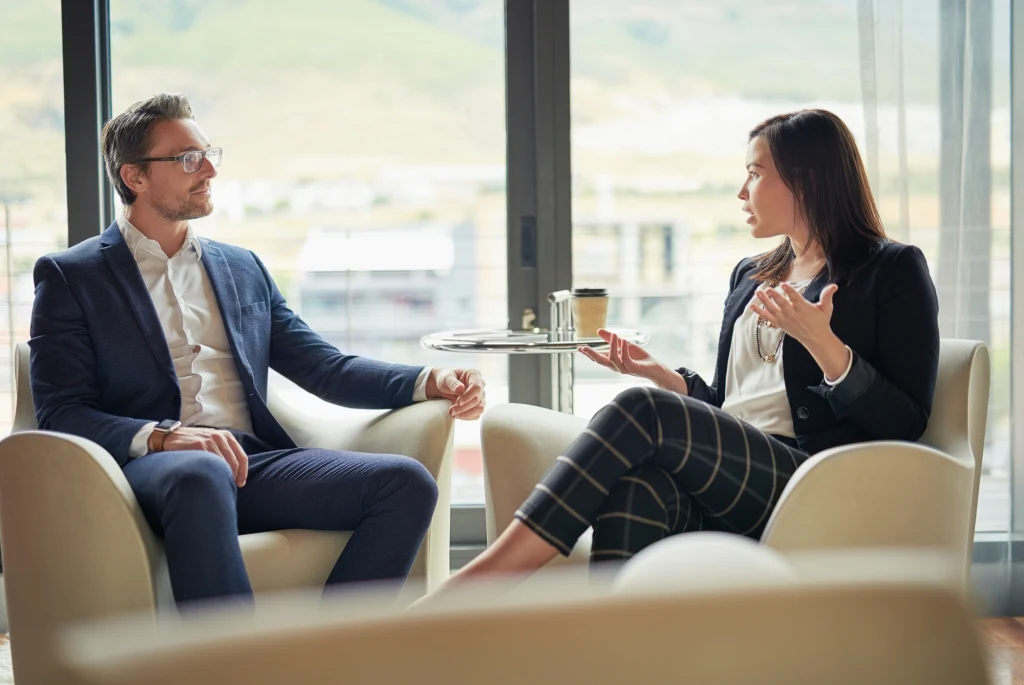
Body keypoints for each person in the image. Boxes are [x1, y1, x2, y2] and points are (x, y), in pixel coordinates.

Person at [438, 108, 939, 585]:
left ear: (805, 180)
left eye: (755, 174)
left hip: (812, 481)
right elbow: (730, 405)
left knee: (642, 408)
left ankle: (488, 577)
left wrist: (826, 347)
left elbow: (907, 420)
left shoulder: (891, 269)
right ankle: (612, 639)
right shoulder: (751, 273)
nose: (742, 192)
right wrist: (663, 377)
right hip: (737, 474)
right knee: (638, 489)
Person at [29, 93, 486, 606]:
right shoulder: (72, 276)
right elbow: (63, 412)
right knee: (201, 472)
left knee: (406, 483)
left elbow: (323, 367)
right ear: (134, 176)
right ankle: (232, 653)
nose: (209, 170)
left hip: (254, 463)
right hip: (160, 470)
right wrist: (164, 437)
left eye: (209, 154)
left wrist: (428, 380)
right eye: (188, 159)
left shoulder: (241, 266)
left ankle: (336, 646)